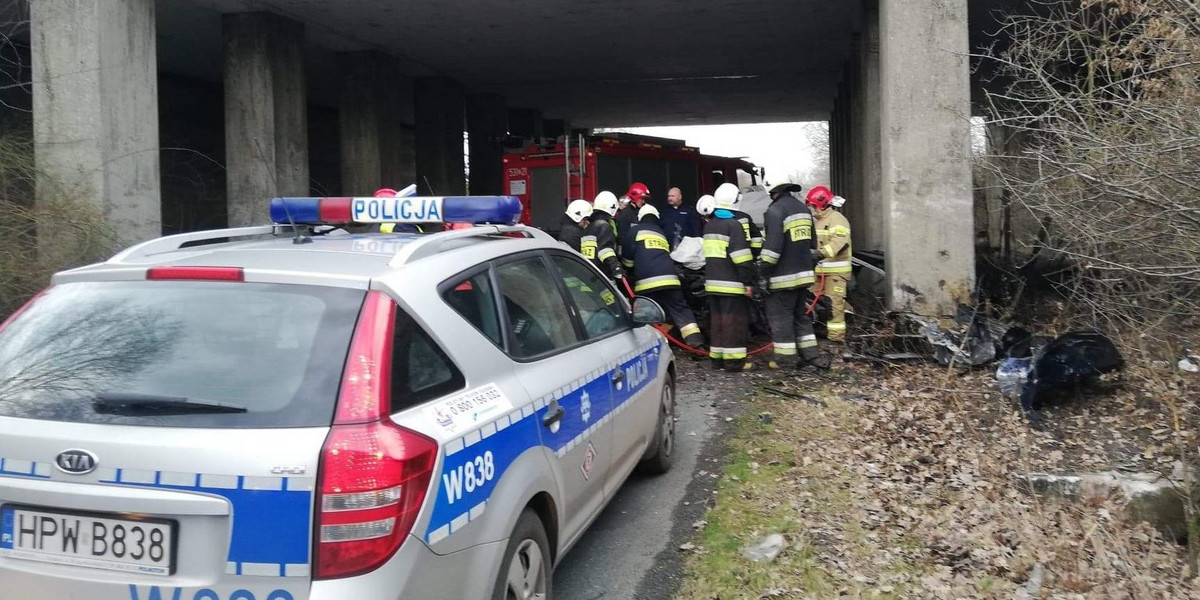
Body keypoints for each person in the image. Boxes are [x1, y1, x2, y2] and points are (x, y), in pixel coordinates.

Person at [760, 183, 824, 370]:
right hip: (803, 276)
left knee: (781, 318)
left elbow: (772, 249)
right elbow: (813, 245)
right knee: (800, 316)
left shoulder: (775, 210)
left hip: (782, 278)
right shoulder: (804, 210)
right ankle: (810, 355)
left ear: (775, 195)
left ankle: (786, 361)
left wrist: (763, 272)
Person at [632, 204, 705, 349]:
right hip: (670, 278)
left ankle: (649, 346)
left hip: (646, 283)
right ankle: (696, 346)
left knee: (647, 312)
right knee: (680, 309)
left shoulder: (635, 231)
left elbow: (628, 258)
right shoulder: (660, 232)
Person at [703, 184, 758, 372]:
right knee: (733, 323)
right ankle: (734, 362)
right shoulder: (734, 225)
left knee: (717, 322)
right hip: (732, 285)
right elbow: (742, 258)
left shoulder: (709, 225)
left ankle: (717, 361)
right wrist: (748, 282)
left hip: (712, 284)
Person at [807, 186, 853, 344]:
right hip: (820, 272)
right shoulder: (820, 221)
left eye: (814, 205)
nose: (813, 208)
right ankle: (823, 331)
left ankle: (836, 340)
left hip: (835, 272)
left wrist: (820, 254)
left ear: (823, 204)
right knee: (817, 303)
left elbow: (840, 242)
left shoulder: (837, 219)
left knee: (834, 305)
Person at [714, 183, 763, 257]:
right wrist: (755, 254)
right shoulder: (744, 216)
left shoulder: (713, 221)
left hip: (725, 261)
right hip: (745, 257)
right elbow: (756, 237)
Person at [585, 191, 625, 282]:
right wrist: (616, 267)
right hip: (603, 275)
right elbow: (605, 250)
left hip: (590, 274)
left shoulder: (589, 226)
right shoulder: (603, 226)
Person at [616, 183, 651, 269]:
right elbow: (622, 240)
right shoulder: (625, 215)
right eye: (641, 199)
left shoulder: (644, 212)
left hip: (642, 255)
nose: (643, 201)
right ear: (634, 197)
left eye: (644, 199)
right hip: (629, 259)